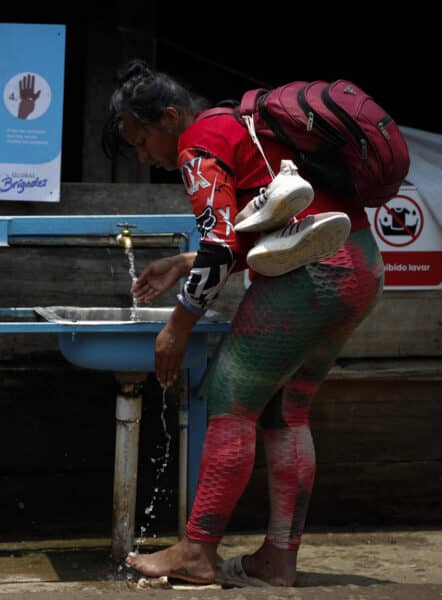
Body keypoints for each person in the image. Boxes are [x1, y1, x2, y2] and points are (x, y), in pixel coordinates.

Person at [103, 60, 383, 586]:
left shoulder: (196, 143)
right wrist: (182, 264)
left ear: (168, 117)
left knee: (231, 402)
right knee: (287, 413)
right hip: (360, 265)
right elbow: (255, 234)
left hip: (311, 275)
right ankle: (278, 558)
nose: (145, 158)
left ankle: (198, 552)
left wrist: (177, 327)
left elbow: (217, 245)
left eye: (141, 142)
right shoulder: (240, 124)